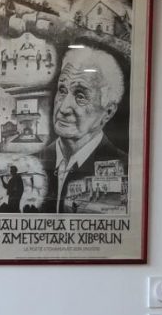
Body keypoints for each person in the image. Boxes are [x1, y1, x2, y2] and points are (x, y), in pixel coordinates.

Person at [33, 44, 127, 213]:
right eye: (62, 90)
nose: (63, 108)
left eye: (80, 96)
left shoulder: (126, 169)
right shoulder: (31, 164)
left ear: (108, 112)